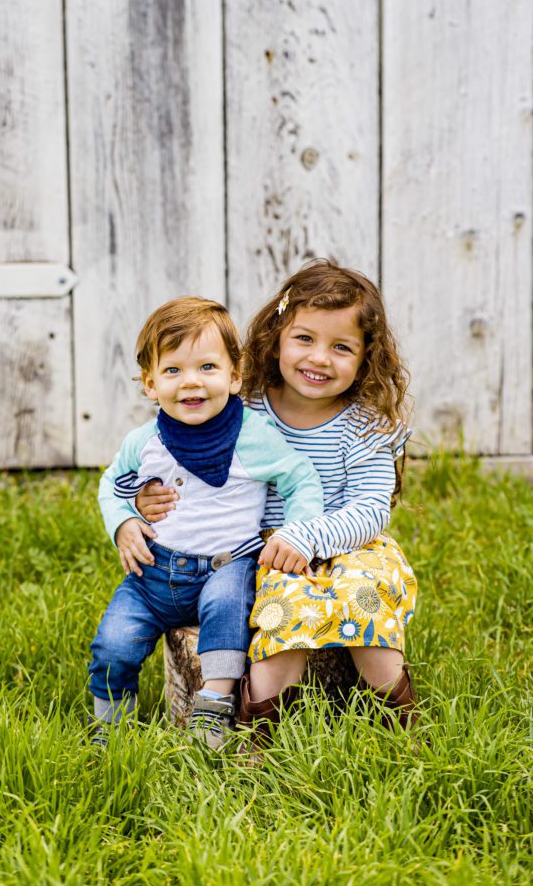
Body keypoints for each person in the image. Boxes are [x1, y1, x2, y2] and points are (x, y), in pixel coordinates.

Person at [136, 260, 419, 742]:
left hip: (354, 546)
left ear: (366, 357)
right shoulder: (241, 411)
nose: (320, 358)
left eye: (342, 347)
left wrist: (307, 535)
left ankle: (400, 726)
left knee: (365, 604)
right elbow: (185, 462)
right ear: (277, 336)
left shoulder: (366, 425)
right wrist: (150, 493)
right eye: (305, 339)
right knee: (282, 617)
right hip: (265, 550)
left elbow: (371, 509)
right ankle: (258, 737)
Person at [89, 296, 325, 748]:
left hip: (226, 565)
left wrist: (299, 533)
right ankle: (110, 729)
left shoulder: (254, 437)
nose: (191, 383)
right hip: (154, 572)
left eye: (208, 368)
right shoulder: (146, 442)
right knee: (113, 644)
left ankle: (211, 713)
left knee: (224, 617)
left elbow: (301, 479)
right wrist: (122, 522)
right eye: (173, 371)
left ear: (235, 376)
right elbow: (112, 484)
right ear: (150, 384)